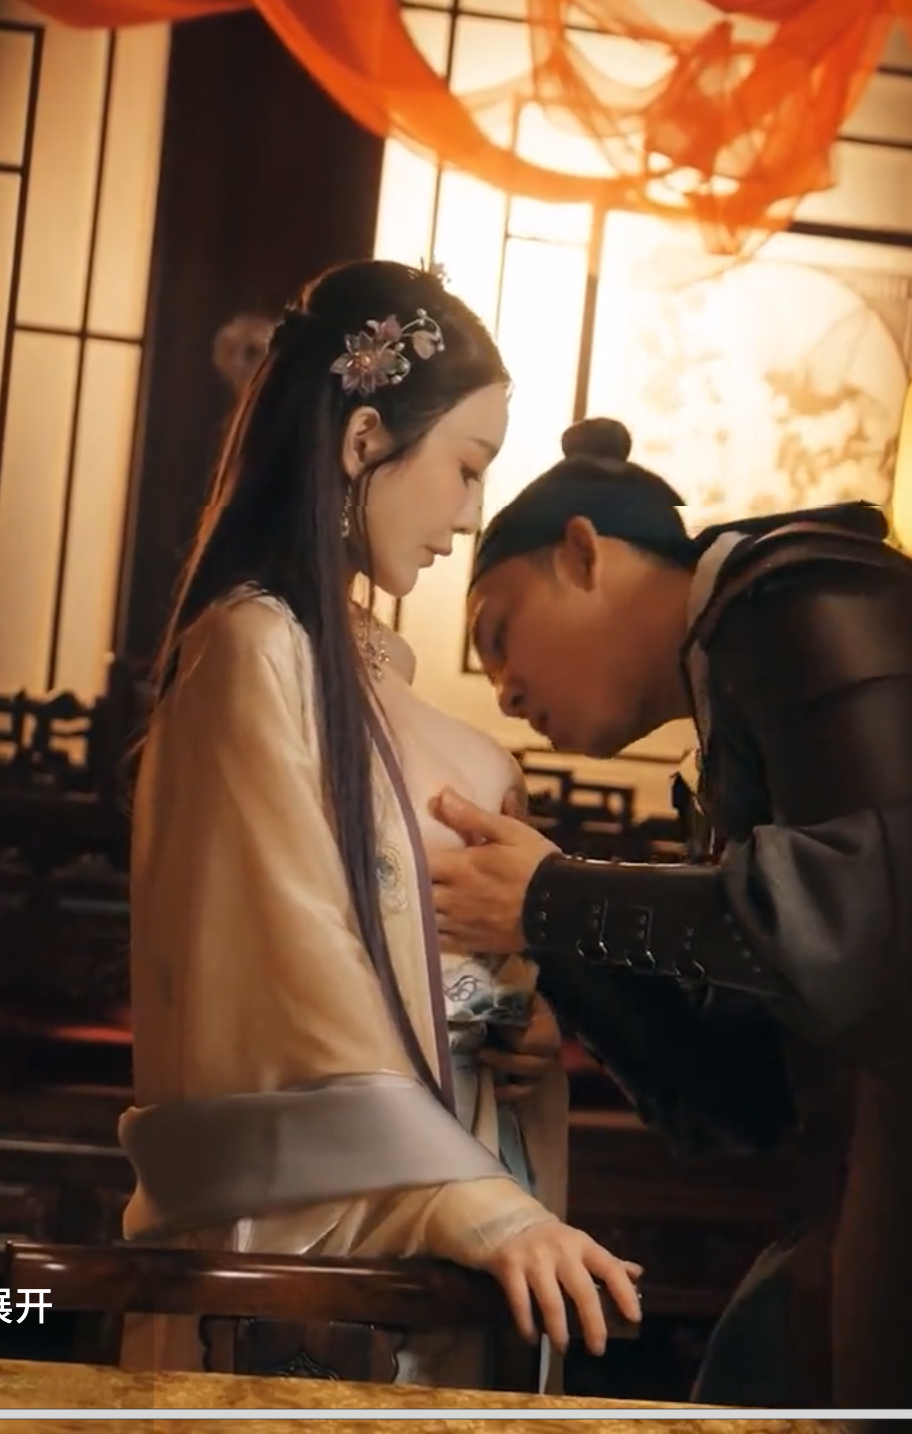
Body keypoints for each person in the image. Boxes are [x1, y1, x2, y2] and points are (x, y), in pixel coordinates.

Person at [118, 261, 642, 1385]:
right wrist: (476, 1200)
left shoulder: (353, 675)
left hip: (433, 1218)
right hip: (325, 1243)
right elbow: (292, 964)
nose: (469, 513)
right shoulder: (252, 646)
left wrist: (518, 1029)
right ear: (364, 441)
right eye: (466, 466)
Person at [424, 417, 912, 1405]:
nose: (507, 694)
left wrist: (554, 895)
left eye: (499, 635)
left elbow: (878, 915)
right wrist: (548, 932)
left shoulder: (797, 597)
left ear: (583, 553)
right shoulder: (730, 679)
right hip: (861, 1200)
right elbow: (742, 1098)